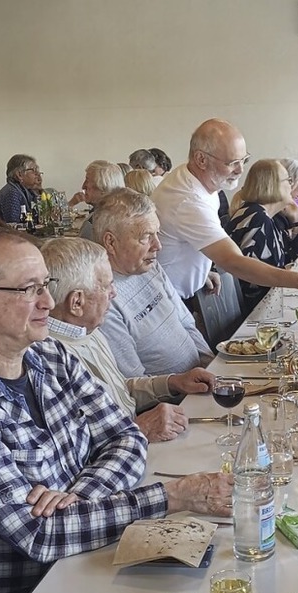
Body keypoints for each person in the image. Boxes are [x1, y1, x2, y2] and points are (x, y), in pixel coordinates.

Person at [0, 227, 232, 593]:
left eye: (46, 285)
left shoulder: (50, 355)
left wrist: (74, 500)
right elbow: (40, 537)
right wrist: (171, 496)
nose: (49, 302)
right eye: (29, 289)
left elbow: (126, 436)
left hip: (89, 547)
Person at [42, 237, 218, 443]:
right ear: (77, 302)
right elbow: (71, 449)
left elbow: (118, 391)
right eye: (107, 286)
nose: (114, 294)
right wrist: (139, 428)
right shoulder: (50, 359)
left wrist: (173, 382)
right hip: (122, 454)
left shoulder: (85, 331)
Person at [152, 118, 298, 301]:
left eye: (244, 160)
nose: (241, 170)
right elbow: (233, 261)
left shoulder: (196, 181)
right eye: (233, 162)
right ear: (201, 159)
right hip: (167, 298)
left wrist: (200, 273)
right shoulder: (189, 200)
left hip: (175, 288)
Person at [92, 188, 213, 377]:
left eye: (157, 234)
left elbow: (187, 324)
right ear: (110, 242)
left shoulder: (150, 267)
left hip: (201, 382)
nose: (158, 245)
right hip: (176, 400)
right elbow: (135, 383)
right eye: (146, 237)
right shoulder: (105, 299)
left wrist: (212, 367)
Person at [227, 160, 298, 314]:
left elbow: (295, 262)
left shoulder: (267, 216)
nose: (293, 186)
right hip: (255, 314)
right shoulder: (256, 219)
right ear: (273, 185)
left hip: (269, 305)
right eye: (289, 181)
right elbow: (255, 285)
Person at [68, 160, 125, 240]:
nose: (83, 186)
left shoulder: (94, 223)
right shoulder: (124, 215)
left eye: (87, 181)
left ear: (103, 188)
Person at [0, 155, 43, 223]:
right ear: (19, 175)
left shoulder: (29, 191)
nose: (38, 174)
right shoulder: (12, 192)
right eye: (33, 170)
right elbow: (14, 225)